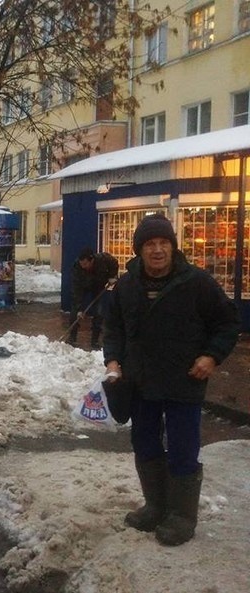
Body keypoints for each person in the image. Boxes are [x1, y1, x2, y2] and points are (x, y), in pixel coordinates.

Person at [102, 213, 239, 546]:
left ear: (173, 246)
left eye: (164, 243)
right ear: (139, 250)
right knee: (145, 443)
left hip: (183, 380)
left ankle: (181, 516)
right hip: (141, 380)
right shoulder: (127, 284)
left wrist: (211, 356)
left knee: (182, 448)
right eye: (150, 244)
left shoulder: (197, 282)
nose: (158, 250)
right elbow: (114, 326)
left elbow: (227, 323)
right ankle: (156, 505)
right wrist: (113, 360)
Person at [68, 246, 118, 348]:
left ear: (92, 260)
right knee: (75, 312)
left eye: (85, 264)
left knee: (99, 312)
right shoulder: (77, 266)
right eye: (82, 264)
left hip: (98, 285)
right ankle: (72, 338)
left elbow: (114, 263)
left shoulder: (103, 259)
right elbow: (76, 288)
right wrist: (79, 309)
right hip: (83, 286)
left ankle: (94, 341)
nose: (83, 266)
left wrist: (112, 276)